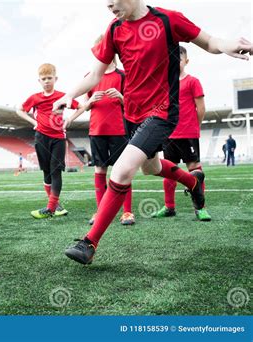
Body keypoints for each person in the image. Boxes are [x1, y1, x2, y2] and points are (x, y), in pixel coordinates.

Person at [53, 0, 252, 265]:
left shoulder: (168, 20)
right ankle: (194, 182)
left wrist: (227, 45)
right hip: (131, 114)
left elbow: (209, 41)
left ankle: (88, 243)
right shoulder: (114, 30)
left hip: (161, 113)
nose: (109, 4)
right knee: (151, 167)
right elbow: (95, 75)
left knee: (122, 170)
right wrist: (69, 94)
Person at [64, 35, 135, 226]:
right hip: (96, 131)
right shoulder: (90, 77)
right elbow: (82, 105)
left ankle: (127, 212)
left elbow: (134, 105)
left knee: (124, 171)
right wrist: (84, 106)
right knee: (100, 170)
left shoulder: (122, 76)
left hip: (119, 130)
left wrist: (121, 97)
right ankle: (101, 212)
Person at [151, 46, 211, 221]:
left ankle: (201, 208)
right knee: (169, 170)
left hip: (188, 133)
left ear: (186, 61)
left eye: (179, 58)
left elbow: (201, 108)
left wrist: (195, 127)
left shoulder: (193, 81)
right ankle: (169, 207)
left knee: (194, 170)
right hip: (169, 134)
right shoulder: (165, 83)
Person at [16, 63, 81, 218]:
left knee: (55, 171)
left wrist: (69, 120)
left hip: (58, 138)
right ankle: (55, 205)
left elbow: (81, 106)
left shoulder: (63, 97)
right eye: (43, 79)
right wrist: (34, 123)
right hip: (41, 138)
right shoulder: (35, 98)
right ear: (39, 80)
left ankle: (50, 208)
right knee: (46, 172)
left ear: (55, 78)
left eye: (49, 78)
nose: (46, 81)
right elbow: (19, 110)